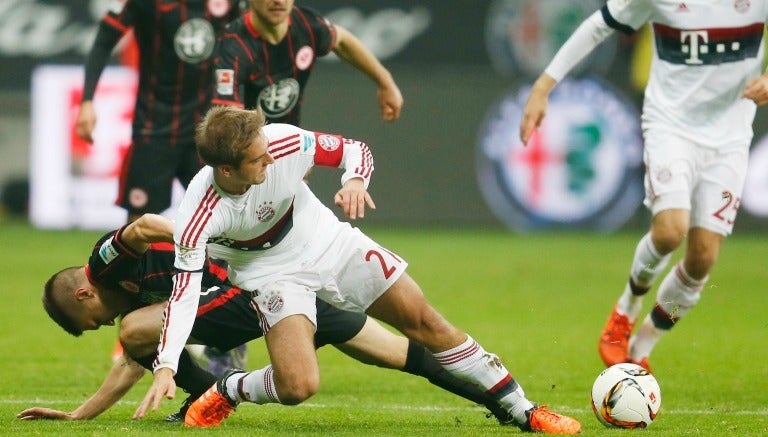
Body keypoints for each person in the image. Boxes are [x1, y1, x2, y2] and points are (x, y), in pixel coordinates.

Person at [135, 106, 581, 434]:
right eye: (258, 159)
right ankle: (230, 388)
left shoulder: (282, 141)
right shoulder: (198, 213)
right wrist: (166, 365)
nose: (270, 159)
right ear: (227, 169)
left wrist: (354, 180)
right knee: (297, 386)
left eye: (267, 150)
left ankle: (525, 411)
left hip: (329, 242)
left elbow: (356, 150)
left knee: (425, 320)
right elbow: (184, 292)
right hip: (270, 275)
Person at [18, 214, 514, 425]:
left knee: (398, 353)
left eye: (90, 320)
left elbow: (146, 226)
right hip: (260, 291)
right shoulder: (127, 306)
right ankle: (206, 395)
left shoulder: (104, 263)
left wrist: (201, 239)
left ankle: (502, 404)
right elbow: (133, 358)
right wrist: (80, 415)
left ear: (84, 292)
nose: (102, 325)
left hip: (249, 284)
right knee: (138, 334)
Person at [519, 0, 768, 372]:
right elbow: (597, 26)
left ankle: (642, 346)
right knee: (670, 230)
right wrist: (543, 86)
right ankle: (627, 307)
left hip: (729, 136)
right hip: (671, 124)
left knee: (702, 260)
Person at [74, 0, 248, 373]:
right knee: (137, 233)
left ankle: (231, 341)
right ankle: (138, 336)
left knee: (229, 225)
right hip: (154, 129)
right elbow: (105, 39)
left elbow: (248, 44)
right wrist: (87, 100)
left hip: (208, 132)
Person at [210, 0, 403, 125]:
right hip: (242, 162)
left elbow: (342, 42)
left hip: (285, 153)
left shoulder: (306, 24)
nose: (278, 1)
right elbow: (228, 124)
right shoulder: (233, 45)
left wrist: (385, 82)